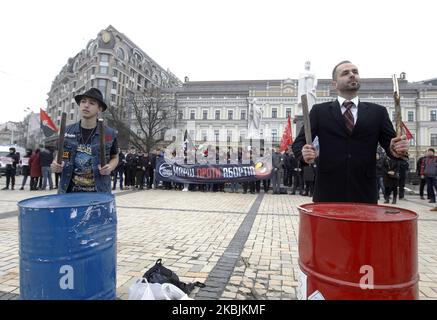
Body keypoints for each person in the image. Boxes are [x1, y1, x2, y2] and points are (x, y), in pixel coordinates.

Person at [292, 61, 409, 204]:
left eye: (355, 72)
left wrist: (398, 149)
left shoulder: (378, 112)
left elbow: (391, 146)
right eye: (345, 73)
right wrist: (304, 154)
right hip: (328, 191)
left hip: (364, 192)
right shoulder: (319, 112)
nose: (352, 75)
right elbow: (299, 143)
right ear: (334, 84)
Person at [50, 88, 119, 193]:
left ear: (99, 108)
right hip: (69, 192)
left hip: (98, 192)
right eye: (83, 101)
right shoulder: (66, 131)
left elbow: (115, 156)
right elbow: (60, 153)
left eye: (92, 103)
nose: (86, 105)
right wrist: (56, 164)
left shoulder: (109, 134)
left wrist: (110, 167)